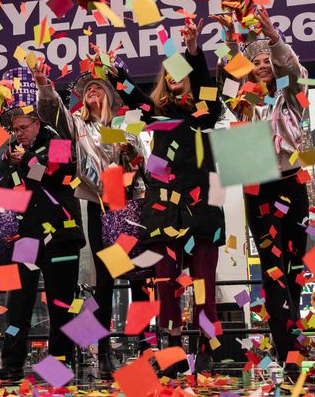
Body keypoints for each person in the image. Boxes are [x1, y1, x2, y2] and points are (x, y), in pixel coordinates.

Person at [106, 20, 225, 377]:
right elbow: (135, 97)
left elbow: (208, 89)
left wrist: (193, 52)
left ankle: (206, 351)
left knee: (204, 284)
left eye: (181, 72)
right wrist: (114, 74)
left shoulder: (206, 114)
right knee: (166, 287)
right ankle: (171, 352)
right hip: (162, 212)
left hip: (202, 206)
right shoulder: (155, 116)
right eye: (169, 73)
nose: (174, 77)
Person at [33, 53, 150, 378]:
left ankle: (145, 348)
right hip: (101, 208)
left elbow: (145, 170)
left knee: (139, 281)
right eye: (88, 91)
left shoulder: (124, 130)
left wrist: (132, 156)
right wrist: (44, 85)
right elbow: (53, 114)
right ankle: (104, 353)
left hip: (130, 208)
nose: (92, 93)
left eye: (98, 89)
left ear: (110, 97)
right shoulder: (79, 127)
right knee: (105, 284)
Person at [213, 7, 310, 380]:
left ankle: (295, 337)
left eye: (268, 59)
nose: (263, 64)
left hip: (292, 183)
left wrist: (274, 39)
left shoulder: (290, 95)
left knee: (295, 267)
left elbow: (295, 71)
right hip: (259, 189)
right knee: (273, 271)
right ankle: (288, 354)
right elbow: (227, 77)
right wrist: (231, 38)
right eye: (256, 61)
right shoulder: (241, 102)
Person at [0, 68, 86, 381]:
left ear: (37, 122)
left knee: (62, 302)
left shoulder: (57, 139)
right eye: (14, 129)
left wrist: (27, 162)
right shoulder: (9, 153)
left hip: (61, 234)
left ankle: (59, 363)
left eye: (22, 127)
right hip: (24, 237)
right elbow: (0, 193)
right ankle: (12, 362)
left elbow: (63, 175)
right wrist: (14, 167)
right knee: (17, 303)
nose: (18, 133)